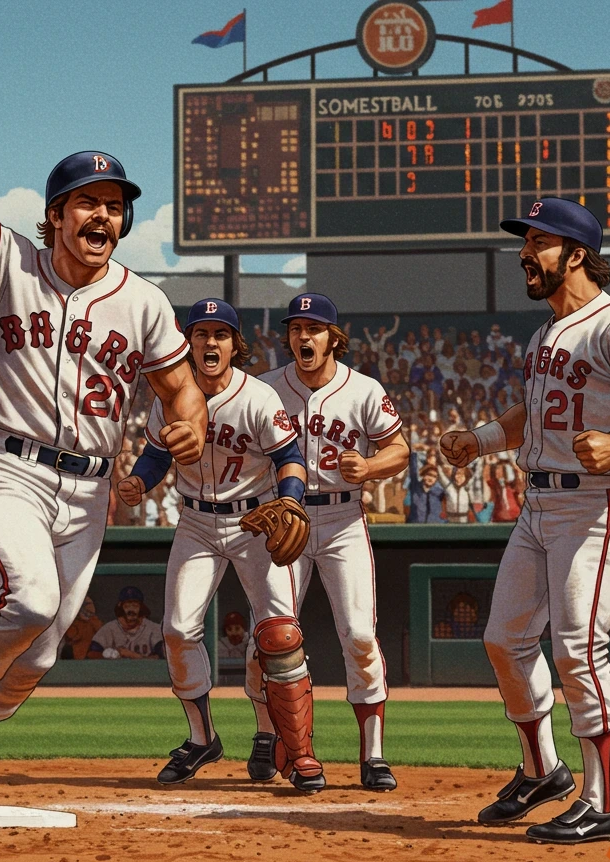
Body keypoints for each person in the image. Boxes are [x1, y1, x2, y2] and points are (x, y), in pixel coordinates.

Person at [0, 53, 206, 845]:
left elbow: (183, 393)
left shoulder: (141, 300)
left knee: (38, 658)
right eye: (87, 204)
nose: (103, 217)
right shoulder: (9, 266)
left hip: (90, 495)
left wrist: (188, 426)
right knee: (30, 598)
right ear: (55, 215)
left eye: (115, 206)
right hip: (9, 467)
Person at [441, 198, 610, 844]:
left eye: (539, 243)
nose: (525, 253)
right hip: (540, 503)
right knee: (504, 640)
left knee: (577, 649)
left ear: (577, 254)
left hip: (597, 501)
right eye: (526, 244)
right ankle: (543, 771)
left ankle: (603, 802)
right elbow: (532, 410)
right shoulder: (544, 333)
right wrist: (484, 439)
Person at [117, 299, 313, 788]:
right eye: (200, 334)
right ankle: (202, 738)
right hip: (196, 523)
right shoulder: (171, 398)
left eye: (219, 334)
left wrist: (289, 501)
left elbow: (291, 457)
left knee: (277, 636)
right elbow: (156, 455)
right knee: (180, 631)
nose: (209, 343)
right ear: (187, 345)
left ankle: (289, 746)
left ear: (234, 345)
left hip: (255, 520)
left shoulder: (259, 397)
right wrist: (141, 483)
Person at [261, 293, 411, 793]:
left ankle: (373, 755)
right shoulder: (263, 390)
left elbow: (400, 449)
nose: (304, 337)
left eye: (314, 329)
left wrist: (369, 467)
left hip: (343, 517)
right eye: (296, 328)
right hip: (285, 521)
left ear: (333, 338)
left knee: (360, 635)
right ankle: (269, 735)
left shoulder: (363, 390)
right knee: (273, 635)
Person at [88, 589, 164, 659]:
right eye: (127, 606)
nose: (131, 610)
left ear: (141, 608)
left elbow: (164, 655)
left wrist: (132, 655)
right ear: (120, 607)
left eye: (135, 606)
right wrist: (108, 655)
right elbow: (91, 654)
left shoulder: (153, 628)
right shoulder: (110, 628)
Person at [61, 594, 103, 660]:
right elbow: (70, 637)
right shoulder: (70, 622)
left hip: (90, 657)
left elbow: (101, 634)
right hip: (74, 659)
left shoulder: (94, 621)